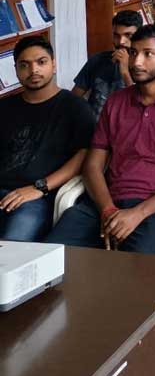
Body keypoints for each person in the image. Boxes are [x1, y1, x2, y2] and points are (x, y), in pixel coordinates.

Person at [47, 24, 155, 254]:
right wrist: (107, 211)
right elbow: (93, 165)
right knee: (50, 257)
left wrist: (139, 213)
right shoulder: (116, 101)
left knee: (136, 274)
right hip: (105, 203)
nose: (136, 62)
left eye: (148, 54)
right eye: (133, 53)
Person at [0, 37, 95, 241]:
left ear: (53, 64)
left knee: (13, 250)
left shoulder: (74, 108)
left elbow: (83, 155)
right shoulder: (5, 108)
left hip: (38, 196)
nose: (33, 70)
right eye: (24, 65)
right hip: (3, 190)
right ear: (16, 70)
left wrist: (39, 188)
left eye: (41, 62)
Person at [72, 9, 142, 117]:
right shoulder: (97, 60)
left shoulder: (147, 67)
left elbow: (142, 105)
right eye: (116, 35)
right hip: (96, 128)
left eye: (128, 35)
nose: (121, 42)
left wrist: (125, 72)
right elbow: (73, 98)